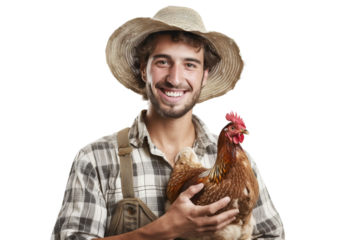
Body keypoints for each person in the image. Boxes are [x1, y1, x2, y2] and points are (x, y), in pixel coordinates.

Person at [50, 4, 285, 240]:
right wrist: (165, 230)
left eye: (190, 64)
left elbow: (272, 235)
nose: (175, 78)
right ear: (143, 69)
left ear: (204, 74)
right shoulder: (96, 158)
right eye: (163, 62)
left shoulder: (242, 165)